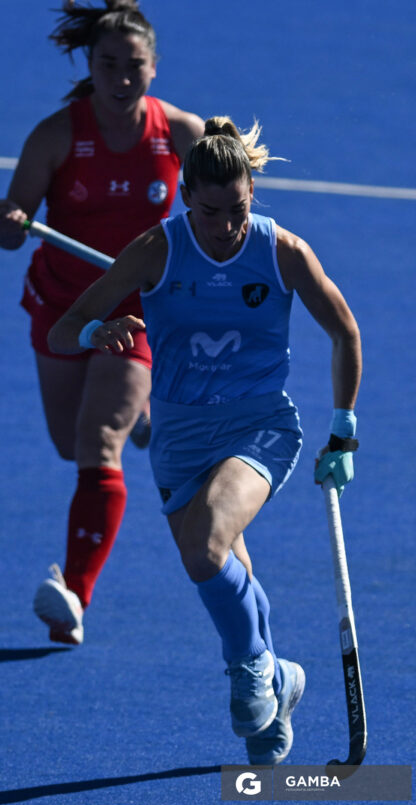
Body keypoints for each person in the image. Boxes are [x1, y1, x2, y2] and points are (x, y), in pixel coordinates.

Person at [47, 116, 362, 765]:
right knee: (207, 562)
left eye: (239, 210)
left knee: (206, 540)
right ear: (186, 196)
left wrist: (343, 432)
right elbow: (65, 328)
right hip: (180, 436)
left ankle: (250, 670)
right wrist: (92, 336)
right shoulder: (157, 250)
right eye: (212, 212)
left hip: (259, 426)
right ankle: (279, 675)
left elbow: (345, 333)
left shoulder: (282, 252)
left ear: (253, 195)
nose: (225, 227)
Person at [0, 0, 204, 646]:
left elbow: (224, 212)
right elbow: (10, 230)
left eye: (133, 65)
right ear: (90, 65)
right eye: (107, 64)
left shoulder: (184, 136)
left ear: (154, 68)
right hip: (62, 306)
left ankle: (75, 596)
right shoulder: (56, 136)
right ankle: (136, 413)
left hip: (136, 310)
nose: (120, 77)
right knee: (69, 442)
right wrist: (9, 222)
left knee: (97, 444)